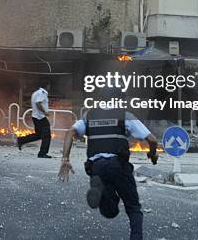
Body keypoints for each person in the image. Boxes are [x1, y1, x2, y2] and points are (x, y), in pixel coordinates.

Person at [58, 107, 159, 240]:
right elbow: (152, 140)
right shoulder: (125, 115)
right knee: (133, 207)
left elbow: (71, 131)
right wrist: (152, 154)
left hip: (96, 168)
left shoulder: (90, 115)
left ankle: (101, 190)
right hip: (118, 166)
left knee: (110, 211)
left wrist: (65, 158)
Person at [16, 82, 52, 158]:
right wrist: (45, 112)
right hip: (40, 117)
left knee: (38, 135)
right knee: (47, 136)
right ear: (47, 85)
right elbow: (38, 103)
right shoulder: (42, 93)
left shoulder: (36, 93)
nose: (50, 87)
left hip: (36, 117)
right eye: (49, 85)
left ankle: (21, 140)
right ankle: (42, 153)